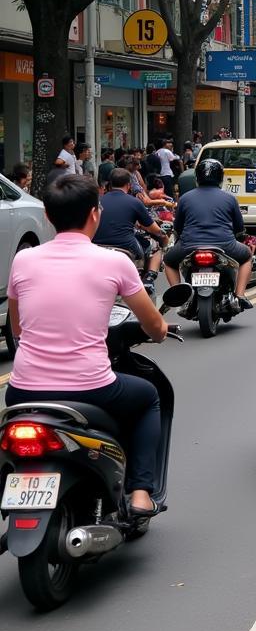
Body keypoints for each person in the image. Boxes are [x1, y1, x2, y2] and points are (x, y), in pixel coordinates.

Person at [4, 175, 168, 515]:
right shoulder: (115, 262)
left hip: (21, 391)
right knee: (149, 398)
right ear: (96, 214)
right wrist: (161, 329)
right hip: (91, 387)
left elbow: (17, 327)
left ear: (47, 216)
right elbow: (154, 326)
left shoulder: (23, 260)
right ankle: (140, 492)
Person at [163, 159, 253, 310]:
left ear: (197, 177)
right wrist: (240, 236)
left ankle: (180, 295)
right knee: (247, 257)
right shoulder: (230, 198)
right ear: (220, 178)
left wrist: (179, 240)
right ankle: (240, 295)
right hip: (225, 245)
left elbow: (177, 227)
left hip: (188, 245)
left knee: (168, 261)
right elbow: (239, 227)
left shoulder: (185, 198)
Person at [93, 168, 168, 290]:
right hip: (127, 247)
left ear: (109, 184)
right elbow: (153, 229)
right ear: (129, 185)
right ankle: (148, 280)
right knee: (155, 247)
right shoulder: (134, 202)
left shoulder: (97, 202)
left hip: (96, 247)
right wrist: (162, 234)